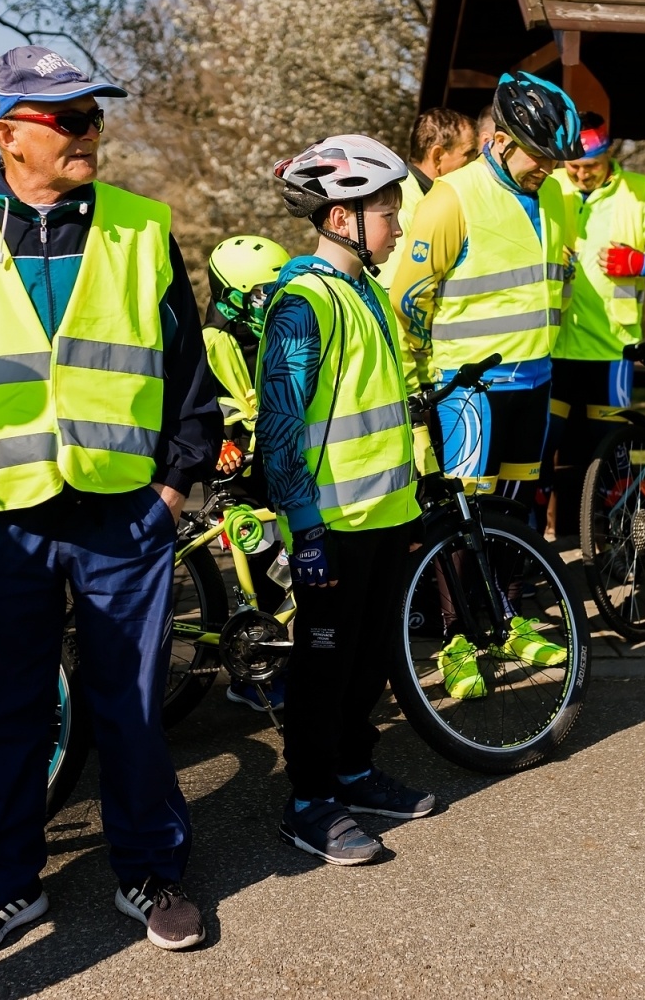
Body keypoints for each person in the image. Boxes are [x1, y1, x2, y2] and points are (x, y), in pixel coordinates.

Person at [0, 45, 221, 959]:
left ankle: (150, 873)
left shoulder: (143, 228)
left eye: (94, 116)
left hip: (123, 515)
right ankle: (1, 890)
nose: (90, 132)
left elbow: (187, 374)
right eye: (67, 120)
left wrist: (172, 486)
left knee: (136, 705)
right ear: (7, 135)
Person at [258, 134, 433, 866]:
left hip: (386, 517)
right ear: (340, 217)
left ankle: (354, 771)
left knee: (369, 661)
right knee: (323, 667)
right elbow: (279, 426)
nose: (397, 223)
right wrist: (304, 529)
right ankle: (309, 801)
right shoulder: (304, 302)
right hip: (332, 524)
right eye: (386, 210)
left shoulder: (365, 293)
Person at [388, 71, 581, 697]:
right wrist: (420, 388)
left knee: (515, 514)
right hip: (467, 387)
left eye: (555, 161)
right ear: (500, 141)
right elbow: (409, 301)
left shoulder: (555, 197)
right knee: (460, 521)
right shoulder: (451, 198)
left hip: (534, 380)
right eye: (539, 158)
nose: (548, 171)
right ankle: (457, 642)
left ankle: (507, 617)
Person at [544, 112, 645, 538]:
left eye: (592, 166)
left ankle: (619, 542)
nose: (582, 175)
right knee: (540, 451)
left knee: (611, 456)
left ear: (608, 157)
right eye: (574, 167)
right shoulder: (549, 188)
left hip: (611, 350)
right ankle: (532, 545)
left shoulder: (636, 193)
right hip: (553, 348)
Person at [202, 233, 293, 711]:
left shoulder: (275, 333)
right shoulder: (210, 343)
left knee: (287, 561)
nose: (269, 303)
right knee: (257, 571)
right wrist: (220, 442)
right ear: (232, 298)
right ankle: (253, 675)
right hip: (236, 471)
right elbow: (199, 403)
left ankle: (282, 654)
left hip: (278, 463)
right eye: (260, 294)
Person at [373, 108, 477, 290]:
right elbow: (392, 292)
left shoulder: (426, 198)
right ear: (437, 156)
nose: (475, 162)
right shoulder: (401, 209)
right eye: (469, 153)